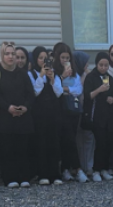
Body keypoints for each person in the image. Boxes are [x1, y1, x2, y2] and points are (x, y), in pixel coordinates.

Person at [0, 42, 35, 188]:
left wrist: (25, 107)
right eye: (7, 54)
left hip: (23, 116)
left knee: (22, 147)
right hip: (5, 116)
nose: (10, 57)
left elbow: (30, 93)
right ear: (1, 55)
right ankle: (9, 177)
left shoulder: (22, 72)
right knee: (7, 148)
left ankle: (24, 176)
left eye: (13, 54)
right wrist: (8, 107)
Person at [83, 52, 113, 182]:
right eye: (101, 65)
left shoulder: (109, 77)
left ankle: (104, 168)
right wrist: (99, 90)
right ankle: (95, 170)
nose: (103, 68)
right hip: (96, 116)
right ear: (97, 64)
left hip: (109, 116)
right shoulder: (91, 77)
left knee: (109, 142)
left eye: (106, 65)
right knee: (100, 143)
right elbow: (87, 96)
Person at [28, 46, 63, 186]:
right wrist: (41, 76)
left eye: (45, 58)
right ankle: (43, 174)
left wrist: (53, 79)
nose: (43, 61)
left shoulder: (54, 74)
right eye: (40, 58)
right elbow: (34, 92)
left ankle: (55, 174)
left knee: (53, 143)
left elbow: (59, 93)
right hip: (39, 113)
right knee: (41, 143)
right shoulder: (31, 74)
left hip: (53, 113)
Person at [53, 42, 86, 182]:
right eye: (62, 57)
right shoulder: (54, 72)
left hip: (73, 110)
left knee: (70, 139)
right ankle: (76, 168)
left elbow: (78, 90)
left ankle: (66, 168)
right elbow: (56, 90)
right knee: (68, 139)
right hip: (60, 110)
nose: (65, 60)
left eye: (67, 57)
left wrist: (68, 90)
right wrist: (63, 77)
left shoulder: (75, 73)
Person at [73, 50, 94, 180]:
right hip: (75, 110)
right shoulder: (73, 75)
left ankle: (88, 166)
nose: (87, 65)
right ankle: (78, 167)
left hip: (87, 111)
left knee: (88, 138)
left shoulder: (88, 74)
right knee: (77, 140)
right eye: (85, 63)